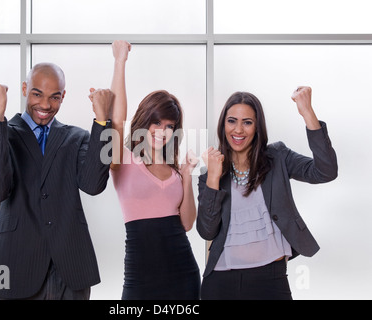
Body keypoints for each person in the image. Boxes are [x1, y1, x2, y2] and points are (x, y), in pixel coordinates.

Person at [0, 62, 114, 300]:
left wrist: (102, 121)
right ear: (24, 88)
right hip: (12, 263)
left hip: (69, 269)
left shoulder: (77, 137)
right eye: (37, 94)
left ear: (63, 96)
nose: (45, 105)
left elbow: (93, 185)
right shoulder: (0, 132)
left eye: (54, 97)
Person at [197, 87, 338, 300]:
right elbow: (207, 231)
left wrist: (307, 112)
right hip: (220, 281)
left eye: (247, 122)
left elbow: (325, 171)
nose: (238, 130)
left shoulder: (277, 157)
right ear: (223, 124)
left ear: (257, 127)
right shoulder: (210, 174)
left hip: (271, 278)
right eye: (232, 121)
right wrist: (213, 179)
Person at [108, 40, 201, 300]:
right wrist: (120, 62)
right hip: (141, 279)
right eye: (156, 122)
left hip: (184, 275)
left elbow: (187, 223)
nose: (162, 131)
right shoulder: (123, 160)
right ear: (145, 120)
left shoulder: (175, 171)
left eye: (170, 126)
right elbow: (116, 119)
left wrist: (186, 177)